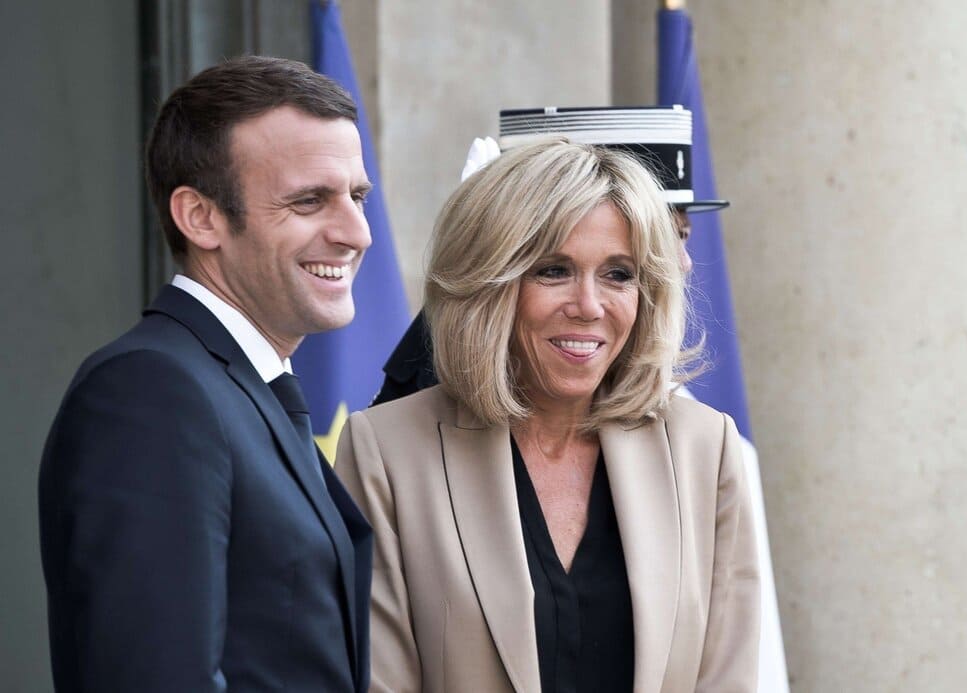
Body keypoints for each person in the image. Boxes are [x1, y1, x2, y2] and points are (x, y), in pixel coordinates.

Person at [336, 139, 760, 692]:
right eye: (554, 270)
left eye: (618, 274)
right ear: (487, 284)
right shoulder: (387, 451)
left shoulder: (705, 446)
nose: (589, 305)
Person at [39, 56, 373, 692]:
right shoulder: (150, 391)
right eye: (309, 200)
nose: (356, 233)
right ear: (200, 216)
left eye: (357, 196)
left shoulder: (238, 389)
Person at [372, 105, 727, 406]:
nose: (683, 262)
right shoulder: (400, 432)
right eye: (555, 270)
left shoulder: (698, 437)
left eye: (619, 273)